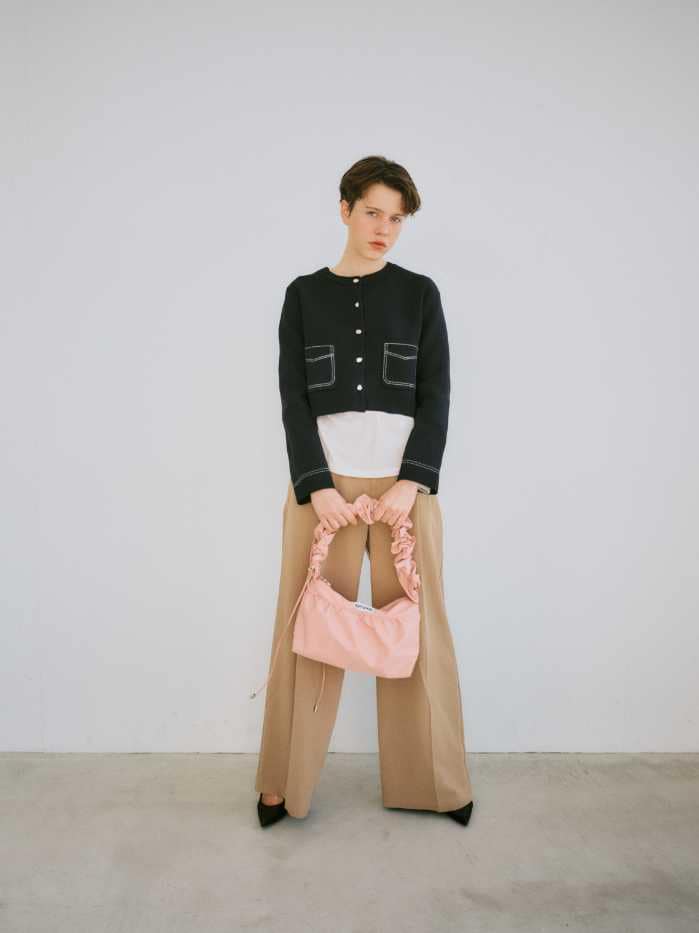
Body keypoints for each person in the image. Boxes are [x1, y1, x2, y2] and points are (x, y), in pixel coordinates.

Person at [253, 155, 475, 828]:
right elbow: (293, 400)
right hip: (324, 492)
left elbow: (436, 395)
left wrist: (412, 481)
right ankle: (281, 783)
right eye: (373, 212)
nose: (383, 229)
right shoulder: (302, 296)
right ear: (345, 208)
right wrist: (316, 487)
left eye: (396, 219)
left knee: (421, 631)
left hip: (406, 490)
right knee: (305, 632)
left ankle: (434, 784)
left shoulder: (419, 294)